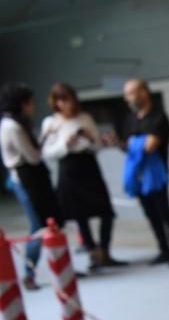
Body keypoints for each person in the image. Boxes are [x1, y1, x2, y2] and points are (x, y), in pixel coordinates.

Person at [40, 82, 126, 271]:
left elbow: (97, 146)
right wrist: (66, 144)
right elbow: (46, 152)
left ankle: (105, 251)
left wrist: (89, 139)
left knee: (105, 211)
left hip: (88, 164)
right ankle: (93, 253)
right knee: (80, 215)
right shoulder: (51, 123)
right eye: (61, 101)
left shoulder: (85, 117)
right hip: (68, 167)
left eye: (68, 99)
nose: (66, 104)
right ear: (56, 103)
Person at [0, 82, 62, 291]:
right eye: (30, 101)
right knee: (38, 226)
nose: (33, 105)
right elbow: (33, 157)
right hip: (26, 180)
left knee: (43, 223)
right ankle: (30, 273)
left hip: (31, 178)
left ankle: (54, 269)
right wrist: (46, 137)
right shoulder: (12, 126)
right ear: (23, 103)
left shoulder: (16, 123)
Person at [120, 78, 169, 266]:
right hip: (138, 175)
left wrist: (135, 144)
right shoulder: (130, 119)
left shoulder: (158, 117)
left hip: (157, 174)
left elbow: (150, 146)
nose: (128, 98)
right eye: (126, 94)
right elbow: (129, 146)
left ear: (143, 92)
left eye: (131, 93)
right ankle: (164, 249)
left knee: (164, 212)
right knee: (151, 214)